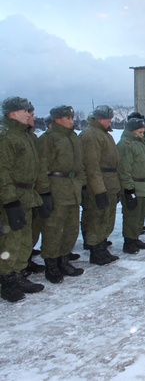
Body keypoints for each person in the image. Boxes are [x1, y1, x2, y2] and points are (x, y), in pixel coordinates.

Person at [0, 96, 48, 302]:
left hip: (27, 195)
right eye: (24, 111)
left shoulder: (25, 135)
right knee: (11, 241)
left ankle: (18, 274)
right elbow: (2, 171)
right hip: (13, 196)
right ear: (12, 114)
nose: (29, 114)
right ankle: (6, 280)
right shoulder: (7, 136)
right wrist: (10, 201)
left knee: (24, 240)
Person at [36, 105, 86, 283]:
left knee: (71, 228)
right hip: (56, 188)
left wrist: (82, 183)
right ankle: (51, 264)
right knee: (53, 228)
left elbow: (81, 165)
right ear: (57, 120)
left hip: (73, 188)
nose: (71, 121)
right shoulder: (48, 139)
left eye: (72, 118)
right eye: (67, 118)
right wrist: (44, 192)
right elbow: (41, 167)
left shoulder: (74, 137)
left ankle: (63, 260)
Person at [79, 105, 120, 265]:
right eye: (108, 119)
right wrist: (99, 190)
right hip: (101, 183)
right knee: (98, 218)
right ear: (99, 119)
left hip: (109, 182)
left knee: (106, 218)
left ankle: (101, 247)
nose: (110, 121)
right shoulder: (91, 135)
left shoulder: (103, 134)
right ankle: (96, 251)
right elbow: (92, 166)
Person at [117, 118, 145, 253]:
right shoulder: (126, 145)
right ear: (132, 131)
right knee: (132, 215)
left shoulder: (138, 143)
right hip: (133, 185)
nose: (143, 134)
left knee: (139, 215)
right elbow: (124, 169)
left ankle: (135, 237)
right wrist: (129, 189)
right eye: (140, 132)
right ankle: (129, 241)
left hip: (142, 185)